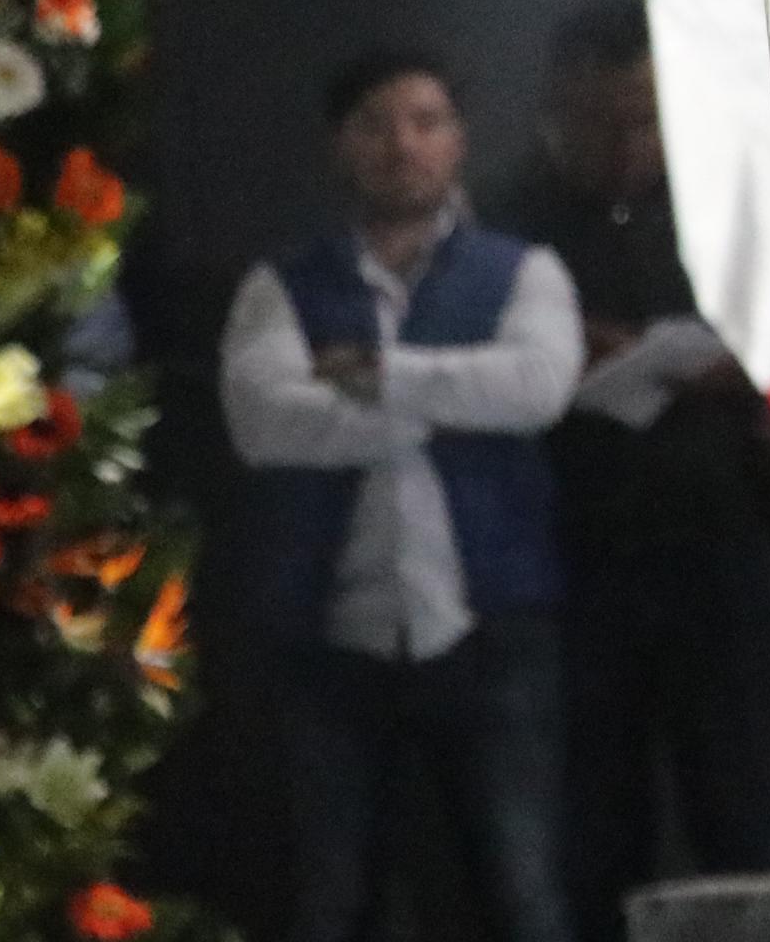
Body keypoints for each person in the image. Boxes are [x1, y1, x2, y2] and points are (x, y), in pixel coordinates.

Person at [225, 49, 584, 942]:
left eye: (426, 123)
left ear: (459, 141)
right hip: (334, 636)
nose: (403, 146)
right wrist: (446, 407)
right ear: (340, 145)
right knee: (333, 902)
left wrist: (378, 377)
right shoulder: (284, 283)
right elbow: (266, 423)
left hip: (490, 626)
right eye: (377, 126)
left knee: (525, 896)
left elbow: (539, 388)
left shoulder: (523, 271)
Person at [507, 4, 770, 942]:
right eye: (603, 124)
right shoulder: (510, 225)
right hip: (574, 563)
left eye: (645, 121)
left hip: (723, 548)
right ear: (556, 112)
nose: (628, 145)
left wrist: (722, 367)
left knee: (746, 812)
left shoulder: (720, 209)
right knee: (595, 828)